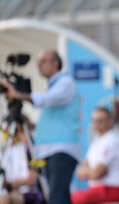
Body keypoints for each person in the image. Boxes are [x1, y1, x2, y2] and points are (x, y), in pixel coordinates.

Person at [1, 49, 80, 204]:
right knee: (57, 196)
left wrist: (18, 95)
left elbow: (48, 99)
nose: (39, 66)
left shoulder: (66, 82)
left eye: (43, 61)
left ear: (55, 63)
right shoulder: (53, 84)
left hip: (61, 150)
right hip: (49, 150)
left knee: (58, 197)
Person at [71, 107, 119, 204]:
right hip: (95, 190)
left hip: (109, 191)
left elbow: (97, 173)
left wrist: (87, 172)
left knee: (74, 199)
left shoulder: (111, 140)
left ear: (110, 121)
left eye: (100, 120)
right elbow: (80, 171)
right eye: (94, 120)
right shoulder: (97, 141)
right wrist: (89, 172)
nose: (96, 123)